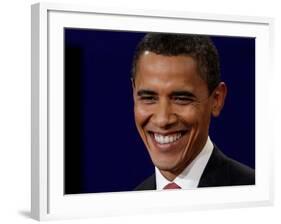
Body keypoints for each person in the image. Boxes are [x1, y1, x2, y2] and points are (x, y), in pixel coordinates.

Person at [131, 33, 255, 190]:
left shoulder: (255, 190)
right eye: (149, 98)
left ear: (217, 99)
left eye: (181, 98)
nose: (162, 119)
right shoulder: (129, 204)